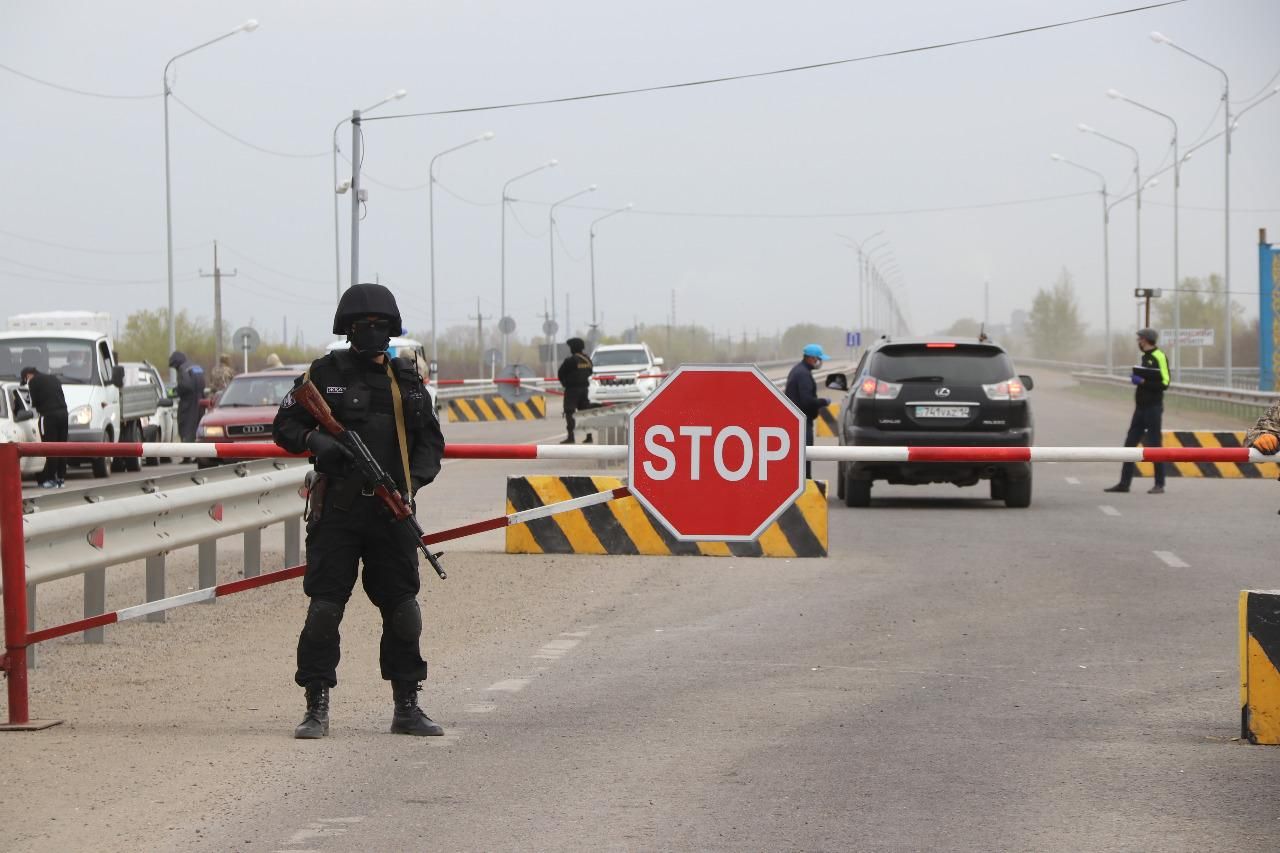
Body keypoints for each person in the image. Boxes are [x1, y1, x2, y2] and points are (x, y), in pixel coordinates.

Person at [273, 283, 446, 740]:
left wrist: (410, 487)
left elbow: (430, 443)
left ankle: (407, 705)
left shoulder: (407, 382)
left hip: (392, 514)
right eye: (363, 325)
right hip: (338, 513)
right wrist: (316, 440)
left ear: (392, 329)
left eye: (380, 325)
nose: (372, 332)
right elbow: (285, 424)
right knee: (324, 611)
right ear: (347, 330)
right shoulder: (323, 374)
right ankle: (316, 705)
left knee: (404, 611)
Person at [1105, 328, 1171, 495]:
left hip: (1153, 408)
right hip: (1140, 408)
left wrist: (1142, 381)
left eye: (1140, 339)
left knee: (1155, 445)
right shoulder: (1144, 357)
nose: (1138, 342)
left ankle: (1159, 484)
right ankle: (1124, 483)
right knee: (1130, 444)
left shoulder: (1159, 356)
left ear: (1146, 340)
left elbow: (1165, 383)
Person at [784, 344, 831, 481]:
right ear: (811, 358)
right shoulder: (803, 374)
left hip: (796, 421)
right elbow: (807, 401)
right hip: (802, 422)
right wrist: (823, 401)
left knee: (800, 459)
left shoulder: (799, 370)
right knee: (805, 458)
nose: (820, 362)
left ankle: (802, 483)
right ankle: (805, 484)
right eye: (819, 359)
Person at [21, 366, 68, 488]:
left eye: (25, 379)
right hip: (64, 414)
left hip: (49, 416)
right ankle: (61, 478)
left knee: (50, 447)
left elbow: (33, 403)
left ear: (28, 376)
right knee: (62, 447)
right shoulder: (53, 378)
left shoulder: (33, 382)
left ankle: (51, 479)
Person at [557, 337, 602, 444]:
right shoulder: (587, 359)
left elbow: (561, 373)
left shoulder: (570, 361)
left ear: (573, 347)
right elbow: (590, 371)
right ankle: (589, 436)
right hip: (584, 389)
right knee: (585, 413)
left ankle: (571, 437)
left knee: (569, 412)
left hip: (572, 390)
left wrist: (565, 383)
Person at [168, 351, 206, 443]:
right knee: (198, 428)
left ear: (176, 363)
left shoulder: (182, 368)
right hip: (200, 404)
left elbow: (185, 386)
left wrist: (176, 391)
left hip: (188, 405)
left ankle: (187, 450)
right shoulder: (197, 367)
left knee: (186, 428)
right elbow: (203, 383)